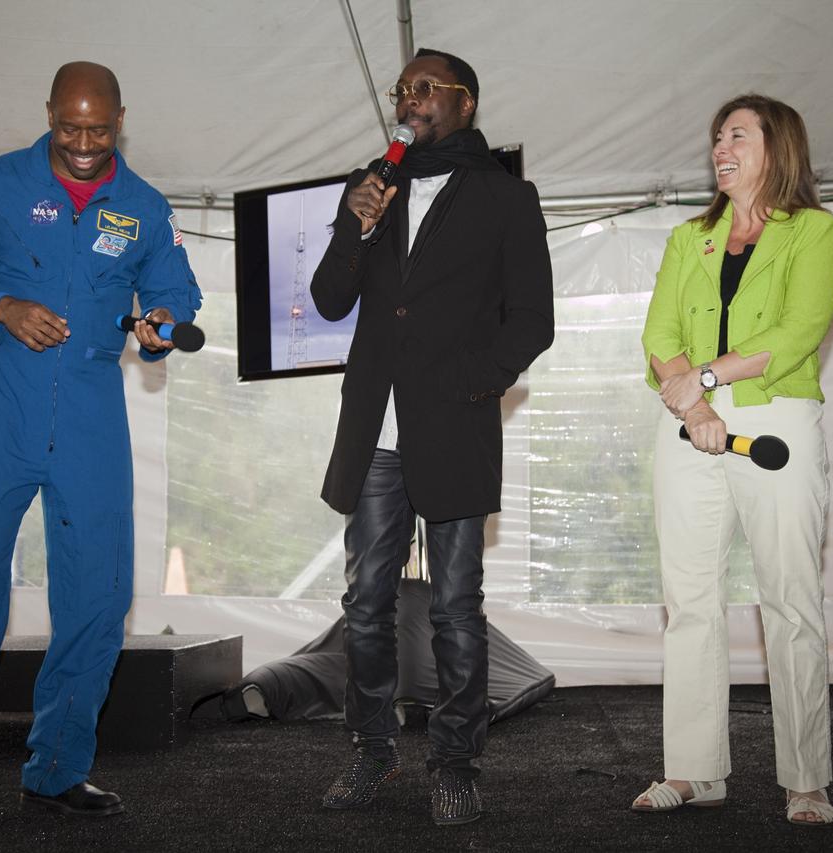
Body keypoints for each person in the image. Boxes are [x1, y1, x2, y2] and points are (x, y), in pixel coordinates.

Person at [0, 61, 202, 822]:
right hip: (3, 407)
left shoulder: (145, 207)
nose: (86, 142)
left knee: (97, 597)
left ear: (120, 119)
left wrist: (159, 322)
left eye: (100, 128)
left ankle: (59, 767)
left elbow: (175, 290)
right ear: (50, 115)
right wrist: (0, 307)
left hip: (93, 415)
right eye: (71, 127)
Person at [310, 48, 554, 826]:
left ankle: (453, 760)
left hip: (455, 423)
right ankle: (372, 748)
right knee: (366, 601)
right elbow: (327, 297)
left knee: (455, 605)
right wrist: (356, 229)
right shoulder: (374, 188)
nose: (407, 101)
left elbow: (533, 322)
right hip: (375, 427)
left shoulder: (506, 198)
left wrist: (472, 385)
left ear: (465, 102)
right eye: (400, 91)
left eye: (423, 89)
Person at [635, 94, 833, 826]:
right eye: (717, 136)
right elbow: (659, 331)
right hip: (687, 421)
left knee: (790, 600)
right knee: (688, 601)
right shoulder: (688, 237)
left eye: (738, 135)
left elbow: (799, 330)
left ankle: (807, 777)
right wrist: (692, 406)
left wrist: (712, 378)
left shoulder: (815, 231)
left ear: (777, 147)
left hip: (777, 417)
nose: (721, 147)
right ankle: (696, 771)